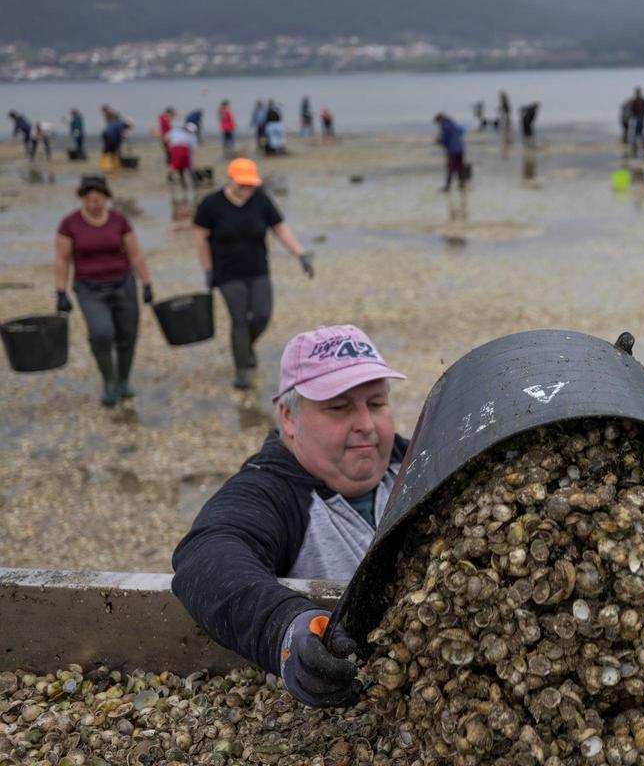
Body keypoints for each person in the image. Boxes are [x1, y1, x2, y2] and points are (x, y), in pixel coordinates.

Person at [172, 324, 408, 708]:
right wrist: (283, 626)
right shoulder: (269, 489)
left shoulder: (415, 464)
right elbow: (206, 555)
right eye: (339, 407)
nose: (365, 424)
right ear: (288, 417)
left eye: (377, 404)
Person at [193, 158, 314, 389]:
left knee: (262, 315)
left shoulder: (261, 200)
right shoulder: (211, 204)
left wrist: (300, 254)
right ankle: (241, 370)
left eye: (250, 185)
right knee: (239, 319)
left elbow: (279, 228)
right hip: (227, 273)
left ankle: (246, 347)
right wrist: (207, 269)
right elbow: (200, 238)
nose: (247, 190)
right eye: (242, 185)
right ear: (231, 180)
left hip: (258, 268)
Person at [54, 175, 154, 406]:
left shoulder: (119, 221)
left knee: (128, 334)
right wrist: (61, 291)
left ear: (106, 198)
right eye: (88, 199)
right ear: (82, 199)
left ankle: (124, 380)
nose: (93, 204)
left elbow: (135, 253)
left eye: (98, 199)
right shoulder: (69, 224)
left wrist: (147, 283)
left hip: (123, 284)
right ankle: (109, 380)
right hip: (90, 288)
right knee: (101, 332)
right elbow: (62, 259)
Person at [435, 113, 466, 192]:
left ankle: (447, 186)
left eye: (437, 122)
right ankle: (461, 184)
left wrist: (440, 141)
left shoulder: (445, 126)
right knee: (460, 167)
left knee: (450, 167)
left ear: (439, 120)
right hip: (460, 147)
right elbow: (460, 131)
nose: (437, 124)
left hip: (453, 150)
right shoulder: (452, 123)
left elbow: (446, 139)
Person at [165, 122, 199, 188]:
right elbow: (193, 148)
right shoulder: (191, 136)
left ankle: (183, 183)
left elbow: (166, 138)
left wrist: (168, 147)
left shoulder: (175, 131)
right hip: (182, 151)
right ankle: (194, 182)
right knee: (188, 167)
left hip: (175, 150)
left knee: (178, 167)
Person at [628, 88, 644, 158]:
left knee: (638, 132)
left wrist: (635, 115)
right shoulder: (642, 100)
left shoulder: (636, 100)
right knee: (640, 132)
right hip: (641, 118)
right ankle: (643, 144)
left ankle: (637, 145)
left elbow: (632, 110)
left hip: (639, 118)